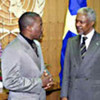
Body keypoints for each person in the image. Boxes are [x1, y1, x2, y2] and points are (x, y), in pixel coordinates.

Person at [1, 12, 53, 100]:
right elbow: (10, 81)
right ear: (29, 28)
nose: (42, 29)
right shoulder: (12, 49)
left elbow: (38, 69)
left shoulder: (36, 44)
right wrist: (40, 83)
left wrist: (47, 77)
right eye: (40, 25)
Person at [61, 7, 100, 100]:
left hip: (94, 94)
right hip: (74, 94)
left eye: (81, 22)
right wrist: (64, 95)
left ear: (92, 23)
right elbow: (66, 71)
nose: (78, 25)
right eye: (76, 21)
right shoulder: (71, 42)